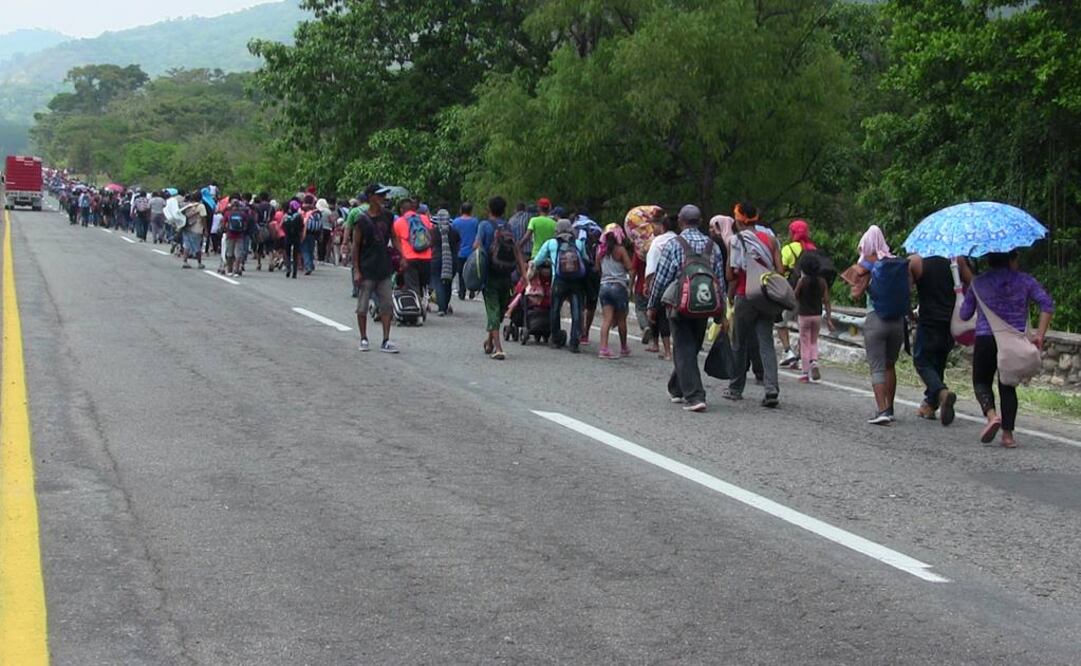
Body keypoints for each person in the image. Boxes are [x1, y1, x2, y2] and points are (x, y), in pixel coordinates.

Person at [959, 251, 1053, 448]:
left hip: (985, 338)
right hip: (1012, 341)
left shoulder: (978, 283)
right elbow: (1047, 304)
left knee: (981, 381)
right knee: (1008, 385)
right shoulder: (1025, 281)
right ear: (1011, 259)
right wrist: (1040, 335)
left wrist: (964, 294)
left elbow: (965, 314)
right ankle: (1008, 435)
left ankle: (992, 416)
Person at [646, 205, 727, 413]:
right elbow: (719, 281)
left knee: (683, 348)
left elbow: (661, 278)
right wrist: (721, 311)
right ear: (699, 222)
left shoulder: (674, 245)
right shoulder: (713, 246)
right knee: (691, 347)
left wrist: (652, 306)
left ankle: (695, 396)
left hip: (678, 304)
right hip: (704, 303)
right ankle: (677, 388)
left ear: (681, 221)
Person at [847, 225, 913, 425]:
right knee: (889, 365)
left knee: (876, 366)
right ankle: (890, 408)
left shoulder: (866, 264)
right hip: (897, 321)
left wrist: (856, 281)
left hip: (876, 319)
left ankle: (882, 409)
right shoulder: (897, 262)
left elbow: (855, 293)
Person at [725, 202, 783, 407]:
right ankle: (771, 389)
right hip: (766, 296)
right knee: (765, 342)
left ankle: (735, 388)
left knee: (739, 342)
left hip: (745, 294)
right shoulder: (771, 239)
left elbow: (732, 274)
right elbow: (780, 270)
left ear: (739, 220)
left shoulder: (736, 240)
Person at [910, 254, 972, 425]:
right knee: (938, 363)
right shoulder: (957, 259)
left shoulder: (917, 261)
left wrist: (908, 313)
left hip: (928, 321)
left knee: (921, 361)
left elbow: (904, 289)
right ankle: (930, 405)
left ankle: (942, 393)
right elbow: (973, 285)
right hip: (951, 321)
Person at [475, 196, 526, 360]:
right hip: (507, 275)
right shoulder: (508, 226)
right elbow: (517, 249)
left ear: (489, 209)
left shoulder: (484, 225)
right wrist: (524, 273)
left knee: (493, 311)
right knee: (501, 310)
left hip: (490, 276)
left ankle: (496, 347)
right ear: (504, 210)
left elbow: (477, 246)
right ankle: (492, 343)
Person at [353, 184, 402, 353]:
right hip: (366, 268)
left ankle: (386, 339)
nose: (383, 198)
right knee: (362, 306)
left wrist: (402, 254)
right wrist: (357, 270)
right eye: (380, 195)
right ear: (371, 197)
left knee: (387, 305)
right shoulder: (361, 220)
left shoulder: (388, 217)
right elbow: (356, 246)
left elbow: (394, 238)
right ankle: (363, 337)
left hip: (384, 267)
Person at [532, 219, 587, 354]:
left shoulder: (551, 243)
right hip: (576, 282)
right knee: (576, 311)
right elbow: (585, 260)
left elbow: (537, 261)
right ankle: (574, 342)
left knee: (555, 310)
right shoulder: (579, 243)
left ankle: (555, 339)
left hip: (558, 281)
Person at [778, 220, 815, 369]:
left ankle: (788, 351)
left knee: (781, 322)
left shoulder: (788, 249)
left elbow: (781, 268)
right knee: (804, 326)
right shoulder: (813, 249)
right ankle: (802, 356)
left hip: (791, 290)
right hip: (809, 294)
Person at [793, 252, 834, 383]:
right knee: (813, 341)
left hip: (803, 315)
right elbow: (827, 300)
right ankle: (814, 362)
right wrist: (828, 318)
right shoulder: (822, 282)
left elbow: (795, 296)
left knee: (804, 343)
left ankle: (805, 373)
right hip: (817, 315)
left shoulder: (802, 281)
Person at [596, 225, 634, 359]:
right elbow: (630, 268)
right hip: (618, 286)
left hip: (604, 286)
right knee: (621, 319)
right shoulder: (621, 250)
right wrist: (630, 285)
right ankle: (623, 347)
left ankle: (603, 348)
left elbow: (597, 268)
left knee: (607, 319)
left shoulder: (600, 251)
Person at [646, 213, 679, 359]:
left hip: (662, 283)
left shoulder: (657, 242)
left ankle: (666, 351)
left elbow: (652, 267)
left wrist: (648, 285)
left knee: (660, 316)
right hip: (681, 284)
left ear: (663, 226)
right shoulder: (681, 241)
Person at [392, 199, 434, 300]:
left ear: (402, 210)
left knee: (413, 288)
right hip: (427, 258)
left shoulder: (398, 222)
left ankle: (415, 308)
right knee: (423, 285)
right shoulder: (424, 219)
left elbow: (396, 242)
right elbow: (431, 236)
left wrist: (402, 256)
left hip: (410, 259)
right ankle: (423, 302)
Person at [574, 210, 604, 347]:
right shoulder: (598, 230)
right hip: (594, 271)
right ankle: (586, 333)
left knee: (579, 300)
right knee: (591, 303)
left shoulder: (575, 228)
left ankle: (579, 330)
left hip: (579, 269)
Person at [430, 208, 459, 316]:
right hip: (451, 260)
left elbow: (429, 244)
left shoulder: (433, 232)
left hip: (436, 259)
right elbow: (457, 245)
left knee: (438, 283)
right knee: (448, 284)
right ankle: (445, 306)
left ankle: (441, 308)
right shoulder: (454, 232)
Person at [452, 202, 480, 300]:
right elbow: (478, 235)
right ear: (471, 211)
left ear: (461, 210)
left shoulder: (455, 222)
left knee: (460, 273)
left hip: (459, 251)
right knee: (472, 272)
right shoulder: (475, 222)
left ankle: (462, 291)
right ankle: (472, 289)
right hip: (472, 251)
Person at [222, 193, 252, 277]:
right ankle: (236, 270)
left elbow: (224, 224)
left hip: (230, 235)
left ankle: (229, 270)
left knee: (229, 253)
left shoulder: (228, 213)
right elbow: (246, 224)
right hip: (240, 235)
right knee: (238, 254)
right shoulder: (243, 214)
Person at [179, 194, 208, 269]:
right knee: (197, 246)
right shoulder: (201, 206)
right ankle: (199, 263)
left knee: (186, 245)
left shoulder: (188, 205)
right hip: (197, 228)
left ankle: (185, 262)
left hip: (186, 227)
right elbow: (203, 218)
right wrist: (206, 229)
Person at [282, 200, 304, 279]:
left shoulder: (286, 216)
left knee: (287, 253)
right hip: (296, 236)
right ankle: (295, 272)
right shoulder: (299, 216)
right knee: (295, 254)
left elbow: (282, 225)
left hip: (288, 236)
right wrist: (301, 236)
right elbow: (302, 227)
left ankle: (288, 268)